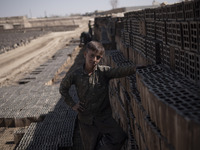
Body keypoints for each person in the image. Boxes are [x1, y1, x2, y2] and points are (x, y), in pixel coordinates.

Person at [59, 41, 137, 150]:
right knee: (90, 147)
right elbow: (63, 88)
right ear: (85, 54)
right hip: (86, 120)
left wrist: (135, 68)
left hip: (104, 117)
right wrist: (72, 104)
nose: (94, 60)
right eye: (92, 56)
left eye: (98, 57)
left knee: (119, 137)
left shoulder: (103, 72)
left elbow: (118, 71)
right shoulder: (76, 75)